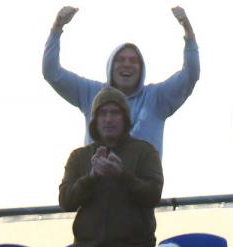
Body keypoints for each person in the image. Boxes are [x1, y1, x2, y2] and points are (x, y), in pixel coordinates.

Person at [43, 5, 199, 157]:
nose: (127, 64)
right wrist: (57, 28)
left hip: (143, 175)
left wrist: (189, 33)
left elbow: (190, 75)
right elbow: (52, 72)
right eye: (120, 60)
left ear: (142, 68)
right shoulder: (91, 93)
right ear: (110, 66)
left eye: (133, 61)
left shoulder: (157, 98)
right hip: (97, 175)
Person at [59, 87, 163, 247]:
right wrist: (91, 177)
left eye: (115, 113)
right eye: (103, 113)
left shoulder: (145, 152)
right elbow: (66, 200)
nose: (108, 119)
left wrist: (123, 175)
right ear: (94, 120)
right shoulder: (79, 157)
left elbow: (153, 194)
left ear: (125, 119)